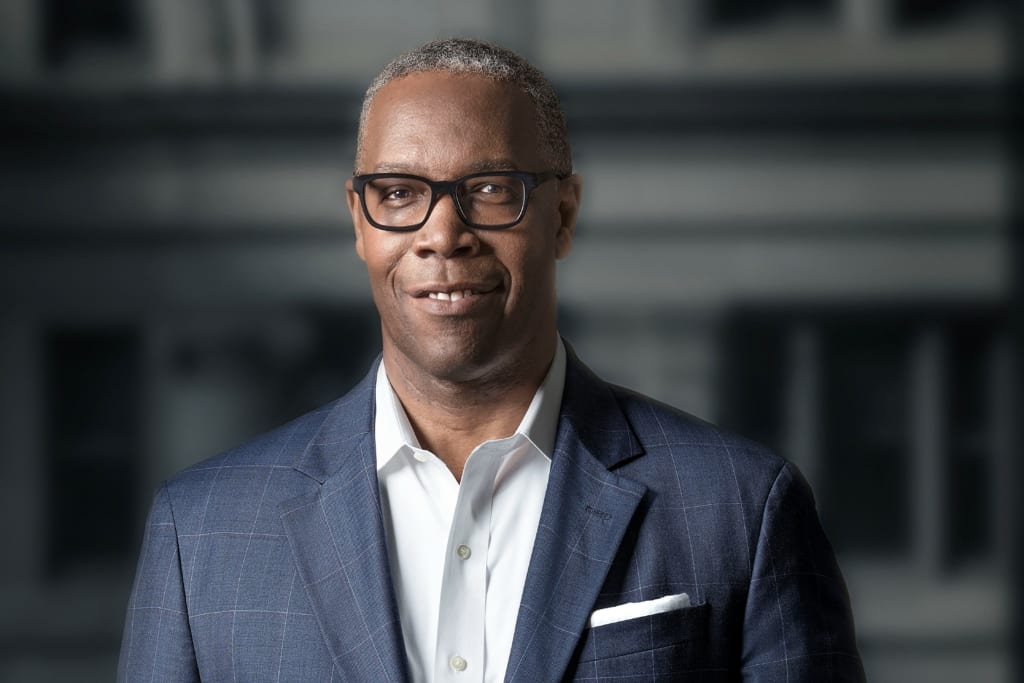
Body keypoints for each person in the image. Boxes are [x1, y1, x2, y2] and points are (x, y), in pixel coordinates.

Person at [118, 38, 864, 682]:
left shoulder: (743, 508)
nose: (443, 234)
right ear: (360, 220)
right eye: (401, 193)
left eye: (489, 189)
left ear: (563, 215)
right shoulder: (201, 533)